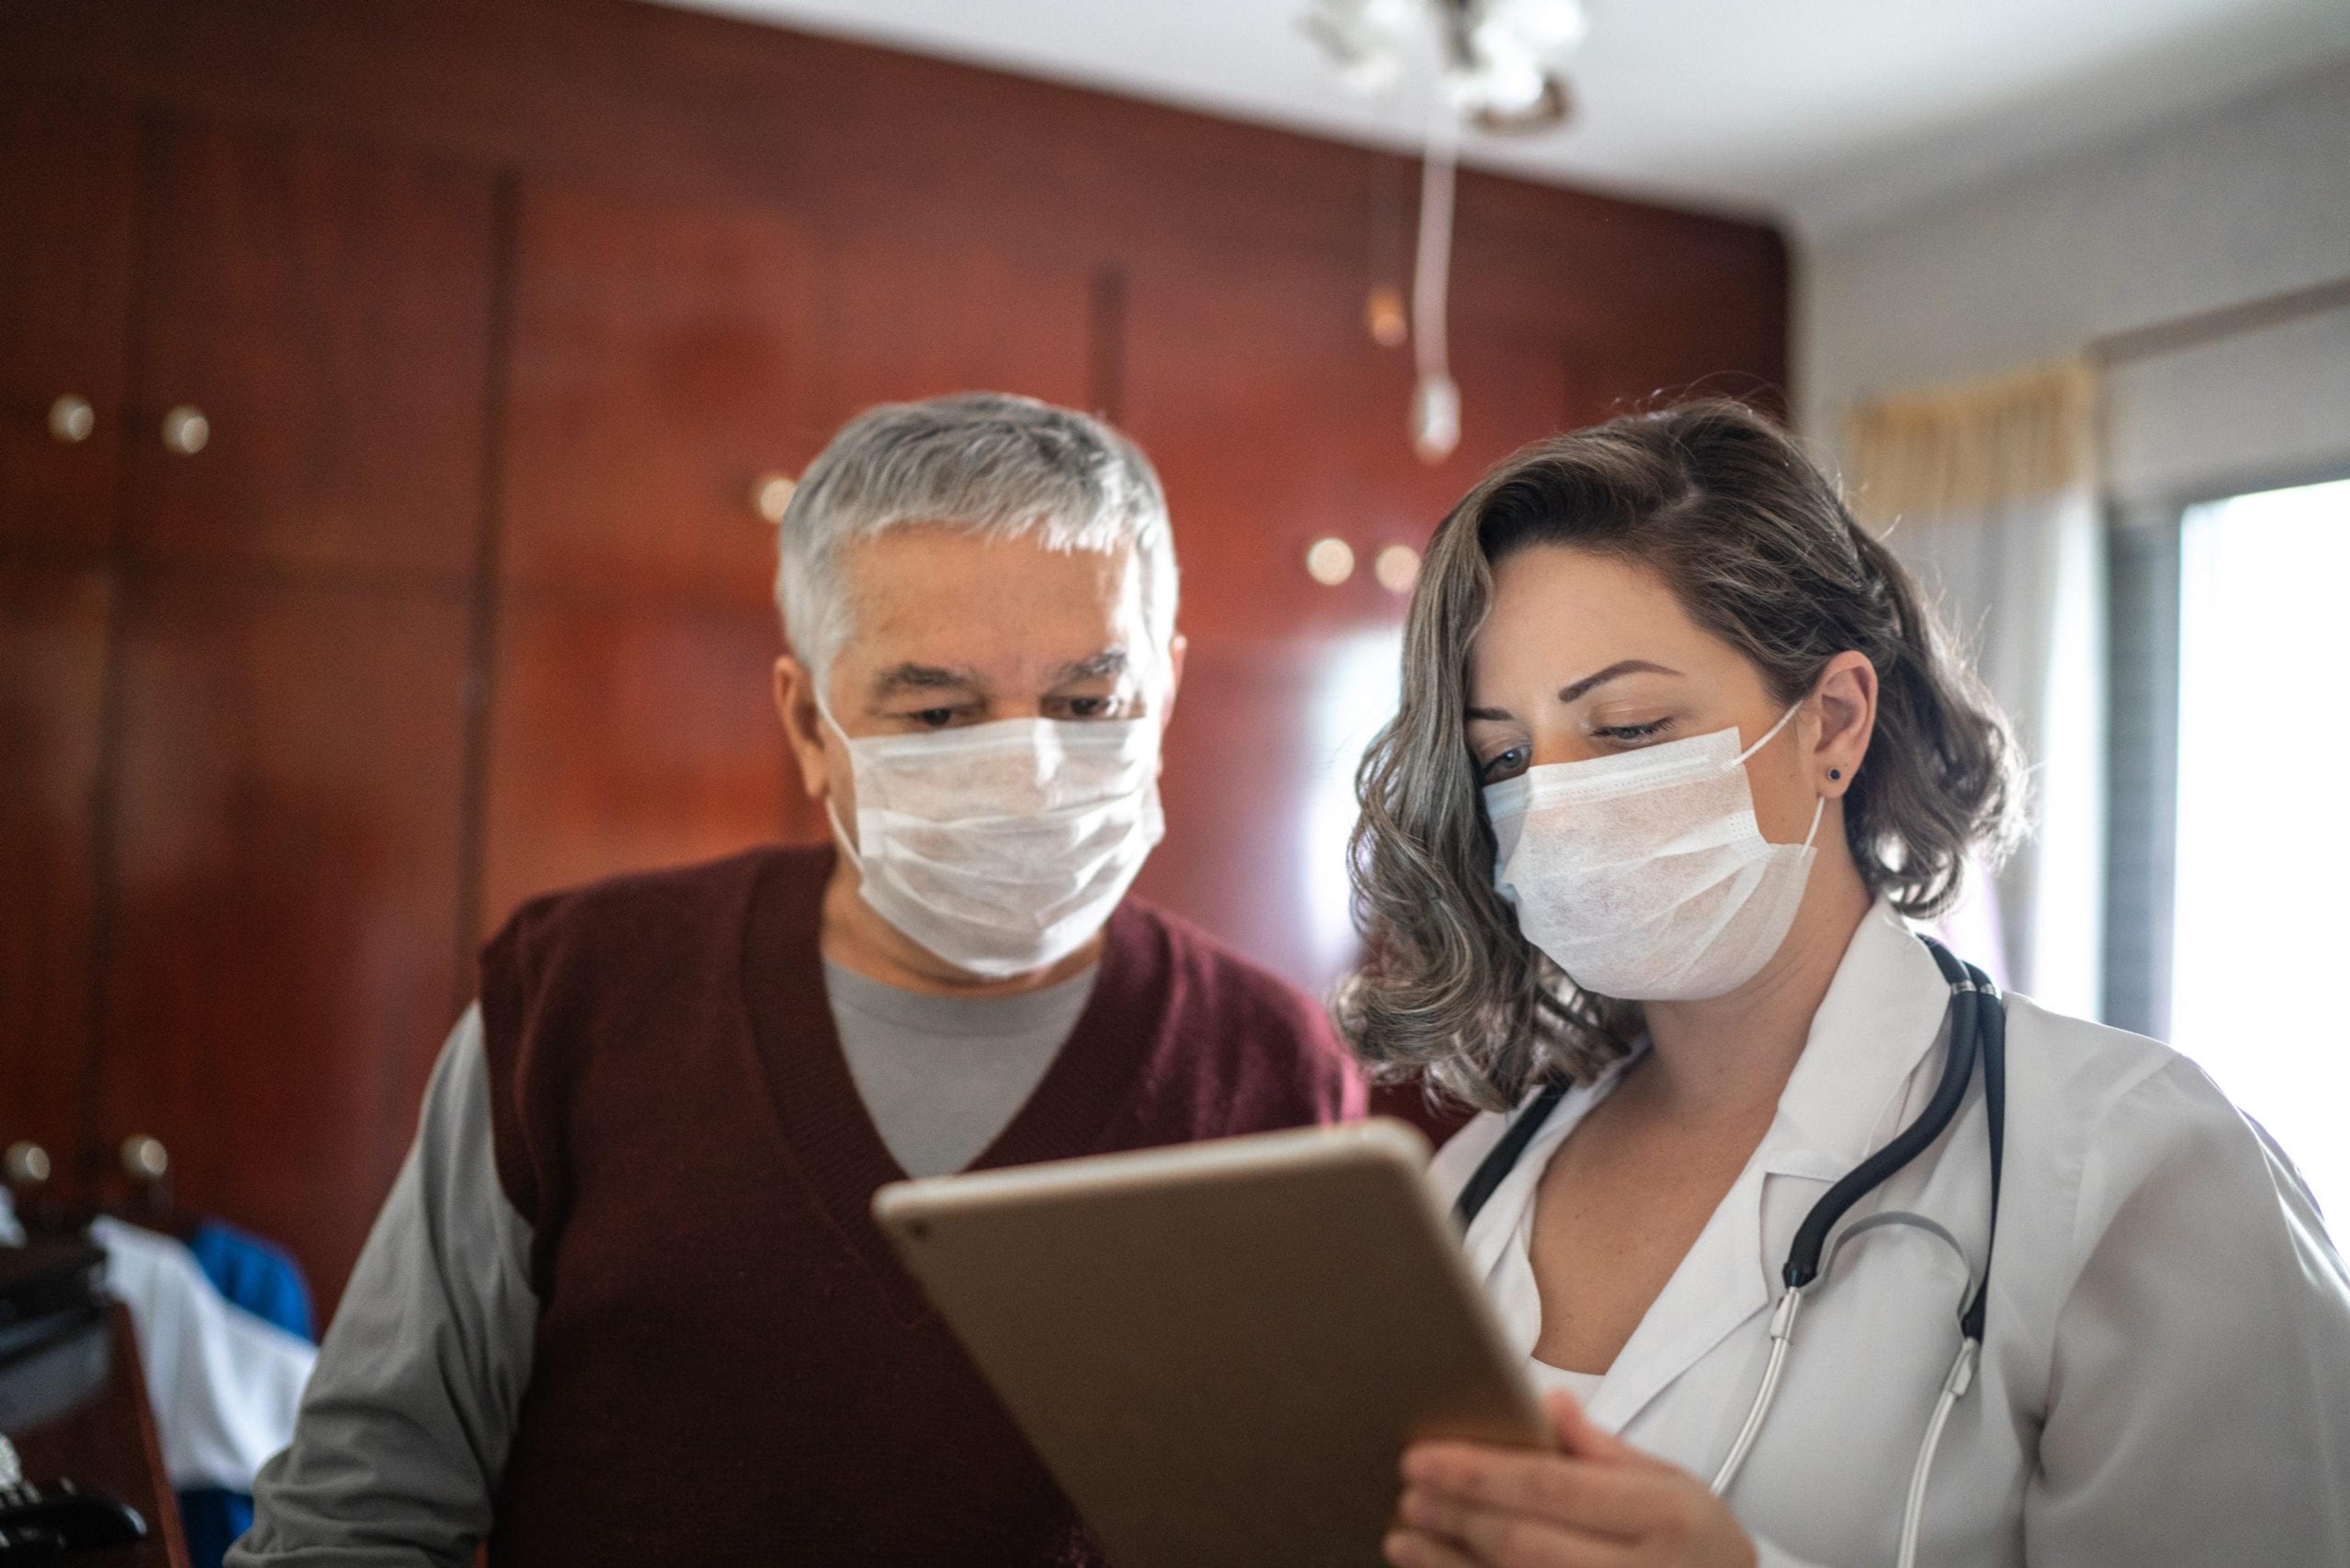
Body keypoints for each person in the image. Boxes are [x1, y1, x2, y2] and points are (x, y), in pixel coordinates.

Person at [231, 392, 1364, 1567]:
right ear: (809, 724)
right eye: (937, 712)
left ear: (1165, 692)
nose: (1028, 770)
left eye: (1088, 704)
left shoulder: (1275, 1074)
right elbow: (361, 1505)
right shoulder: (579, 1003)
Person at [1341, 401, 2350, 1568]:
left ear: (1833, 722)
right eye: (1503, 758)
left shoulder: (2133, 1165)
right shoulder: (1478, 1182)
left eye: (1625, 727)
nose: (1555, 805)